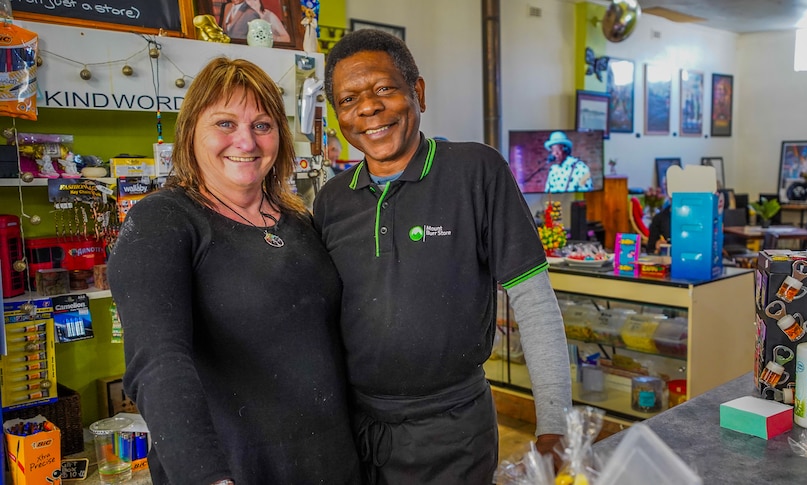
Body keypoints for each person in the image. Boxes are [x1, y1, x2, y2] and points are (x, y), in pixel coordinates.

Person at [315, 29, 571, 483]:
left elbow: (533, 302)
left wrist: (554, 425)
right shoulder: (332, 199)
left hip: (453, 432)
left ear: (419, 92)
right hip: (354, 431)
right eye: (349, 99)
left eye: (384, 89)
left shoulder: (477, 170)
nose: (368, 109)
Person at [107, 57, 360, 484]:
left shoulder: (299, 221)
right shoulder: (162, 221)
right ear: (191, 133)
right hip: (235, 470)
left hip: (331, 463)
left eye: (262, 125)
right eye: (225, 123)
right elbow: (158, 363)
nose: (246, 141)